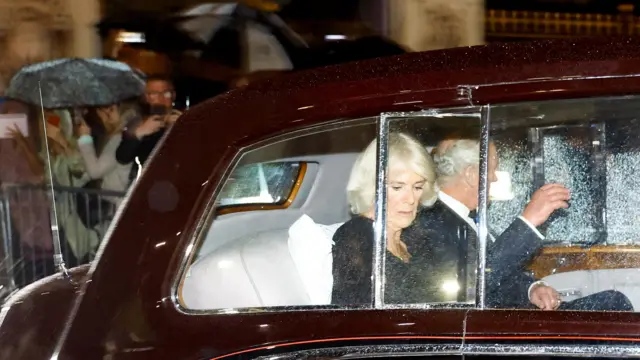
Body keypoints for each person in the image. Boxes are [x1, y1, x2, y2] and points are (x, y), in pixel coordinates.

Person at [404, 136, 633, 311]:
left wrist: (532, 288)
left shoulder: (465, 216)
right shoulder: (430, 223)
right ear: (472, 174)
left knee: (613, 301)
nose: (494, 178)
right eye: (492, 170)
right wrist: (528, 221)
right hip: (490, 331)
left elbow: (500, 271)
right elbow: (473, 283)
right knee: (614, 306)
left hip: (510, 315)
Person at [331, 132, 437, 305]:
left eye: (417, 187)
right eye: (397, 187)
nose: (410, 199)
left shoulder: (415, 236)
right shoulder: (356, 239)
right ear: (371, 187)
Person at [115, 75, 181, 183]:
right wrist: (139, 133)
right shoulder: (138, 121)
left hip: (174, 186)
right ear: (146, 97)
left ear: (173, 95)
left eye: (166, 93)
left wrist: (181, 129)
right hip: (143, 187)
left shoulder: (182, 119)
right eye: (154, 94)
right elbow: (122, 157)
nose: (161, 98)